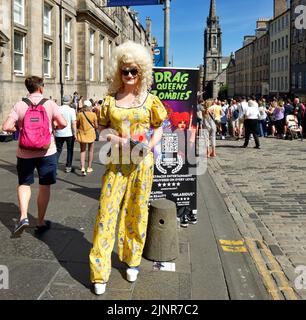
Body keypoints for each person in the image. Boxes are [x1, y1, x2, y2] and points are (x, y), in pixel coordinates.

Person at [89, 41, 167, 296]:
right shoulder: (110, 100)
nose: (130, 76)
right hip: (116, 163)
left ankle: (132, 259)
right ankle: (99, 271)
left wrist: (150, 146)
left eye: (134, 70)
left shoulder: (150, 100)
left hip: (142, 164)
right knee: (106, 213)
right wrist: (116, 138)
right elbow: (101, 128)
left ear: (142, 71)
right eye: (125, 71)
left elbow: (159, 128)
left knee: (137, 211)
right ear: (118, 71)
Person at [2, 76, 67, 236]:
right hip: (47, 151)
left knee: (24, 183)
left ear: (28, 89)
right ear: (41, 88)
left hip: (24, 152)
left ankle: (24, 216)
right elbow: (63, 123)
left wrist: (20, 129)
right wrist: (53, 128)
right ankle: (40, 221)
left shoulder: (20, 105)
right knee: (44, 185)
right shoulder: (50, 104)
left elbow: (6, 127)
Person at [55, 95, 77, 173]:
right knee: (70, 150)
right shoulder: (71, 110)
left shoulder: (58, 108)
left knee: (58, 150)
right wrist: (75, 133)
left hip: (58, 133)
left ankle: (54, 166)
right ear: (70, 101)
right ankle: (68, 167)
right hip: (69, 133)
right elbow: (73, 123)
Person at [76, 99, 98, 176]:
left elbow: (77, 124)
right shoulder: (93, 114)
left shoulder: (80, 114)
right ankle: (89, 167)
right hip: (91, 133)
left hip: (82, 133)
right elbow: (96, 126)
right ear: (90, 106)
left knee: (82, 151)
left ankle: (82, 167)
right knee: (91, 151)